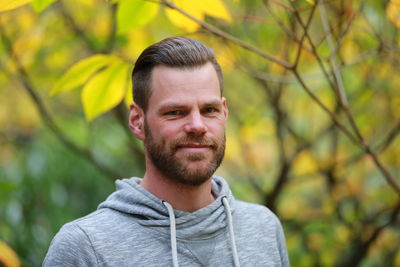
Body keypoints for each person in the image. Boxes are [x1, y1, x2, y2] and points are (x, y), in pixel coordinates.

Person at [43, 36, 290, 267]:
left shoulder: (264, 228)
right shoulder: (85, 247)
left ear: (224, 112)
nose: (197, 126)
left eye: (209, 110)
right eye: (175, 112)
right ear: (138, 121)